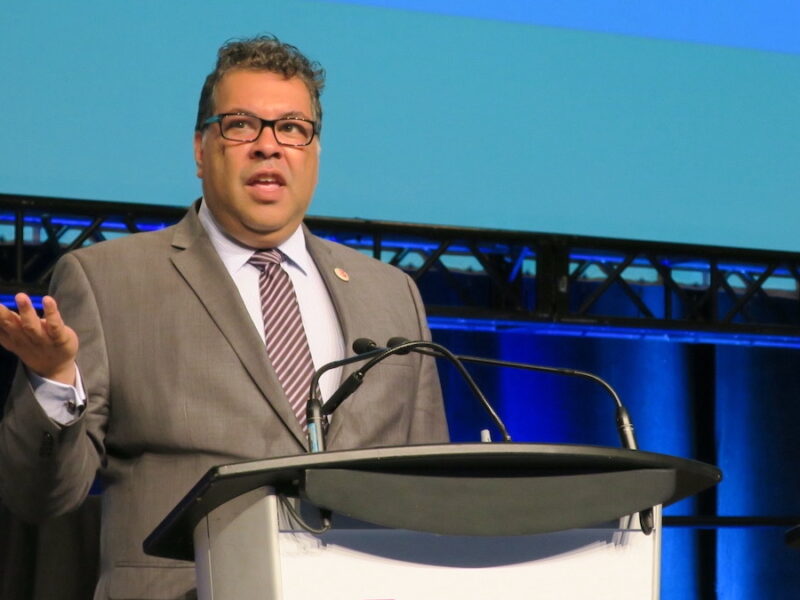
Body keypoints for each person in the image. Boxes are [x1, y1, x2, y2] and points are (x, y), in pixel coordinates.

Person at [0, 35, 448, 599]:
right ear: (200, 148)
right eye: (241, 125)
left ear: (314, 151)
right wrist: (54, 386)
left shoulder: (392, 294)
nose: (269, 146)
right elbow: (40, 496)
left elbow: (433, 493)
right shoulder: (109, 281)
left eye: (292, 127)